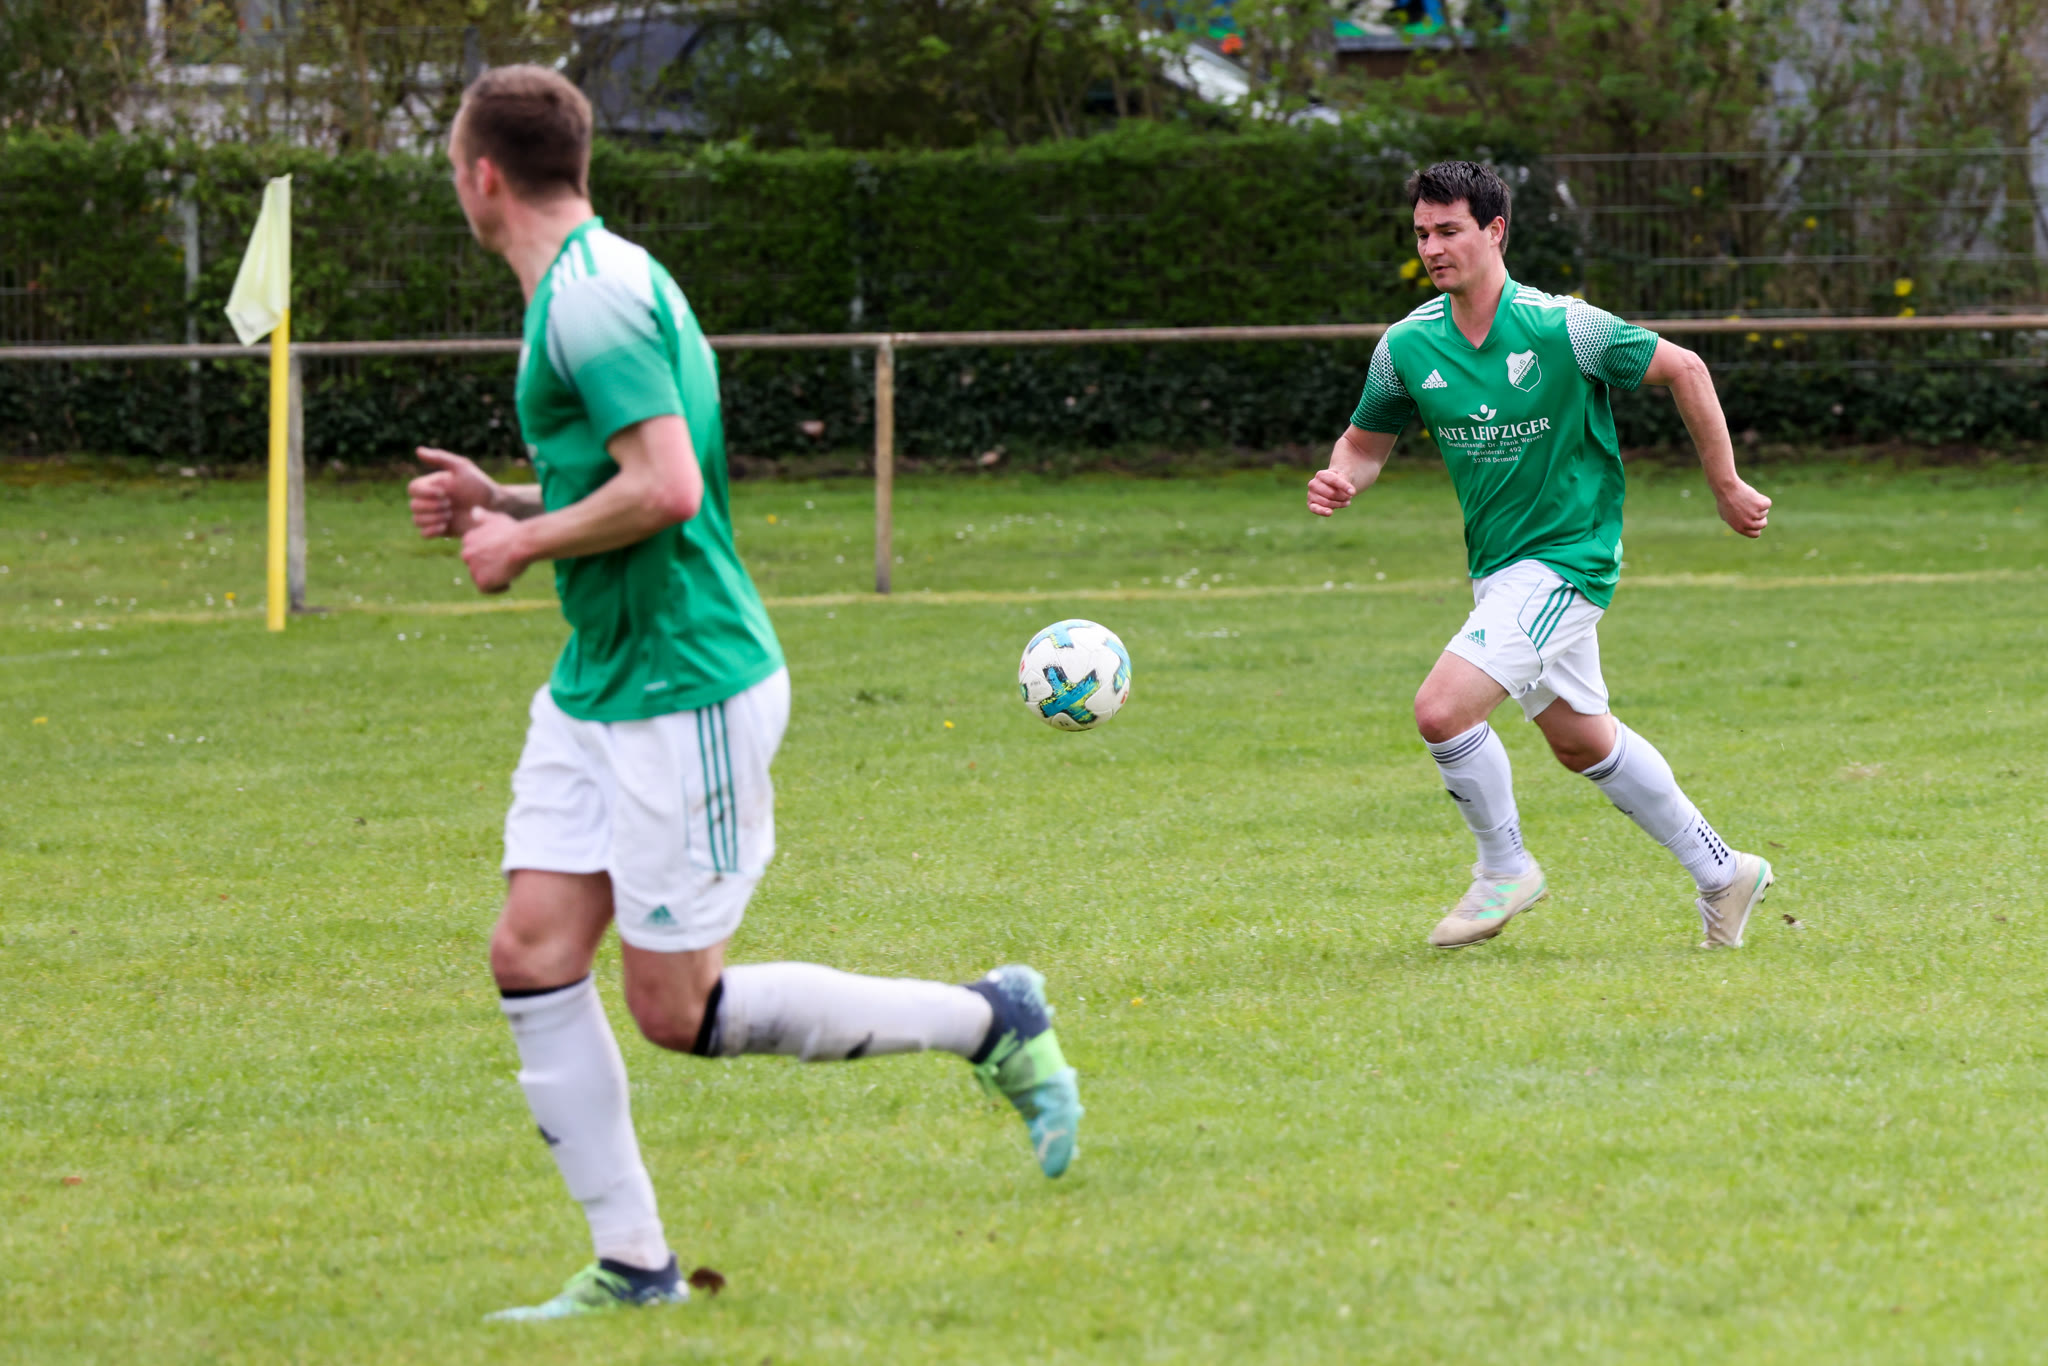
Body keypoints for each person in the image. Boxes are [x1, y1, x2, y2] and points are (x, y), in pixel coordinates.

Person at [408, 65, 1082, 1323]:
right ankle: (635, 1267)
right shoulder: (595, 281)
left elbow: (667, 490)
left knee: (677, 1008)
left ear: (481, 176)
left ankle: (989, 1019)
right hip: (602, 680)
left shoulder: (591, 300)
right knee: (532, 951)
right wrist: (503, 500)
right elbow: (630, 476)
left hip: (685, 684)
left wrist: (519, 543)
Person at [1307, 160, 1777, 951]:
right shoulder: (1407, 345)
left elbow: (1685, 368)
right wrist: (1340, 478)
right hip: (1498, 572)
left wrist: (1725, 484)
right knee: (1581, 740)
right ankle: (1723, 871)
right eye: (1422, 234)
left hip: (1568, 561)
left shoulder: (1564, 327)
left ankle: (1505, 869)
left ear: (1495, 230)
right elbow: (1364, 445)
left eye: (1449, 230)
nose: (1432, 248)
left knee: (1441, 710)